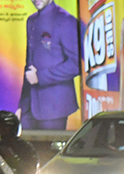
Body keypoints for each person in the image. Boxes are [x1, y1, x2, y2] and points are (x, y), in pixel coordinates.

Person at [19, 0, 81, 130]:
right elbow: (28, 66)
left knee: (49, 149)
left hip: (54, 108)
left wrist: (41, 77)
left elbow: (76, 64)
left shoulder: (65, 20)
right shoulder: (31, 21)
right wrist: (22, 106)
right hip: (29, 107)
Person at [0, 110, 40, 174]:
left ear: (13, 127)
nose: (1, 129)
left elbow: (30, 172)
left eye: (5, 126)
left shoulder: (25, 147)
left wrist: (12, 158)